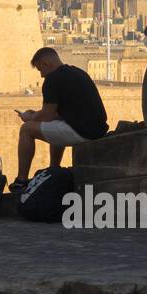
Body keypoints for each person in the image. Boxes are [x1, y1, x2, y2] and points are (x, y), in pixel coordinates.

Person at [13, 47, 108, 189]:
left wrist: (29, 117)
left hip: (83, 132)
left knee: (26, 129)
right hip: (97, 129)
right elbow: (55, 114)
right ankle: (54, 168)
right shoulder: (77, 72)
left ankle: (21, 181)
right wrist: (36, 114)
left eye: (40, 70)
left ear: (47, 63)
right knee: (56, 123)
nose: (41, 76)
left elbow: (46, 116)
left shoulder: (52, 79)